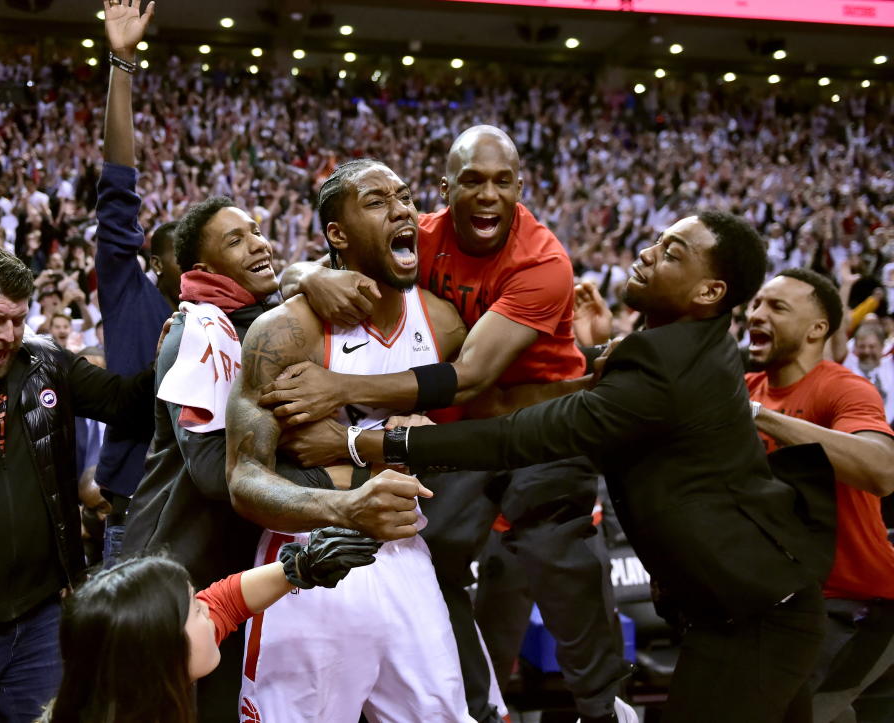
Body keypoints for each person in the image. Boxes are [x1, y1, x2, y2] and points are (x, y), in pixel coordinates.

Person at [347, 211, 838, 723]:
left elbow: (529, 436)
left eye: (672, 254)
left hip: (751, 621)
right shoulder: (683, 348)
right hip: (758, 607)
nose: (648, 253)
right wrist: (598, 356)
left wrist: (386, 443)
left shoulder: (663, 364)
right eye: (656, 240)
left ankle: (603, 708)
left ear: (710, 292)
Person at [272, 125, 631, 723]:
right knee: (429, 557)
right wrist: (309, 275)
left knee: (555, 552)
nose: (488, 194)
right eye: (472, 180)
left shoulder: (543, 262)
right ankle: (477, 706)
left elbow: (470, 376)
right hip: (457, 432)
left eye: (502, 182)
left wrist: (341, 388)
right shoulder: (420, 235)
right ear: (446, 188)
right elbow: (328, 262)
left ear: (521, 187)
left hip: (537, 425)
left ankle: (603, 709)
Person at [227, 158, 474, 722]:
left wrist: (390, 447)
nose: (402, 209)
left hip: (406, 551)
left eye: (405, 197)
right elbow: (243, 479)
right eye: (377, 201)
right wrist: (347, 506)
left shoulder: (443, 322)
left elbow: (491, 423)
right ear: (337, 234)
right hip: (308, 556)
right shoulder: (287, 333)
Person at [0, 190, 154, 723]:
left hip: (42, 617)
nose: (7, 335)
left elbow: (127, 405)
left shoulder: (46, 364)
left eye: (18, 319)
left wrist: (179, 341)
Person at [744, 268, 894, 723]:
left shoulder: (841, 387)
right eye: (756, 304)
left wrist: (760, 418)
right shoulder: (747, 390)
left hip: (860, 604)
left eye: (777, 307)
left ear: (817, 329)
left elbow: (882, 469)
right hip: (790, 603)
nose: (756, 314)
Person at [41, 527, 381, 723]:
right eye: (195, 609)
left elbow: (226, 602)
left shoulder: (120, 686)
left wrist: (302, 567)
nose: (207, 609)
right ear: (160, 649)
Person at [94, 0, 179, 566]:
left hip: (210, 519)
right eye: (188, 251)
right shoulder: (132, 295)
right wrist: (122, 67)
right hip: (136, 519)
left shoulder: (241, 320)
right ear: (155, 261)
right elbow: (118, 190)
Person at [844, 323, 894, 425]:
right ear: (855, 347)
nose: (867, 351)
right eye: (862, 346)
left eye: (872, 347)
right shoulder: (847, 363)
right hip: (856, 428)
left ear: (882, 346)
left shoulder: (891, 364)